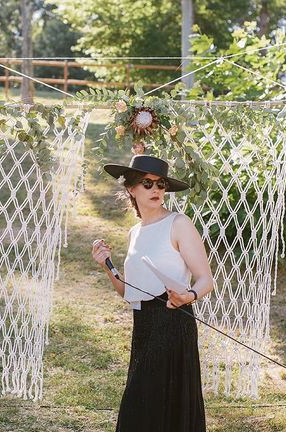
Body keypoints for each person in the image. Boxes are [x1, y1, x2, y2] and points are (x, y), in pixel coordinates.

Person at [91, 155, 213, 432]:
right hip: (143, 325)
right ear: (131, 189)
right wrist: (106, 266)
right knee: (142, 404)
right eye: (147, 183)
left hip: (173, 320)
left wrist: (189, 296)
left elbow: (206, 279)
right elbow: (128, 292)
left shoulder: (178, 223)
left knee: (164, 405)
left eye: (161, 183)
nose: (156, 189)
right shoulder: (135, 233)